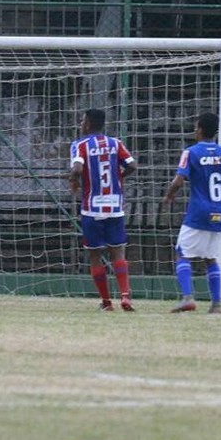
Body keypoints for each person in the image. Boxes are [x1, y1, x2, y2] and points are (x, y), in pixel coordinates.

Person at [163, 112, 221, 314]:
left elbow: (179, 181)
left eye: (196, 127)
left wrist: (169, 195)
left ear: (201, 129)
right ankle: (216, 305)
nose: (195, 131)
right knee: (210, 258)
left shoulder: (191, 152)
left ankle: (187, 298)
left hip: (198, 212)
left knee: (182, 253)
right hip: (219, 212)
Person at [68, 108, 138, 312]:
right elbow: (133, 165)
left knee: (95, 255)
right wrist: (120, 178)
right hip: (115, 205)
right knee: (118, 252)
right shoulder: (115, 143)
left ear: (88, 124)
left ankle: (107, 302)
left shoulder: (80, 145)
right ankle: (125, 296)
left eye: (82, 121)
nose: (81, 124)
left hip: (92, 207)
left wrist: (73, 180)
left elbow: (78, 169)